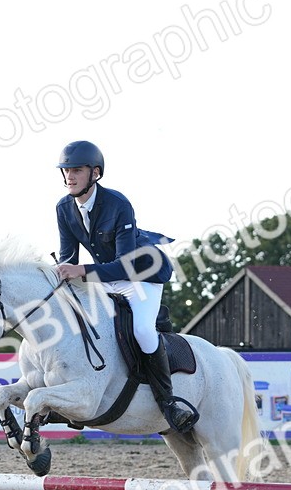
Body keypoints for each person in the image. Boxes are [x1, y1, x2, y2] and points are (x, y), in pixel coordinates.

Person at [53, 140, 196, 434]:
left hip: (141, 274)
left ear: (95, 173)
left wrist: (81, 270)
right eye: (66, 170)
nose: (70, 176)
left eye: (77, 170)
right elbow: (68, 258)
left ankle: (169, 402)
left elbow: (124, 264)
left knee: (142, 329)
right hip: (104, 276)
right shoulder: (64, 208)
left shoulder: (118, 204)